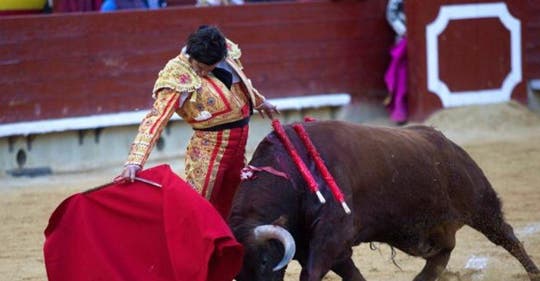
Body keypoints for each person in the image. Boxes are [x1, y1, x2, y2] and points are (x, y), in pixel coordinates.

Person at [114, 25, 278, 219]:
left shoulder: (223, 53)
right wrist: (135, 161)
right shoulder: (177, 75)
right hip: (209, 151)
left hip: (238, 145)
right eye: (198, 67)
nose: (200, 72)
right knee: (198, 206)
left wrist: (259, 101)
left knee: (235, 202)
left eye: (206, 67)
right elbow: (155, 119)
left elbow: (239, 84)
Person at [384, 0, 408, 124]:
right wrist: (405, 32)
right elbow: (391, 13)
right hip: (405, 37)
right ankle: (400, 108)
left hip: (419, 34)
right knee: (401, 72)